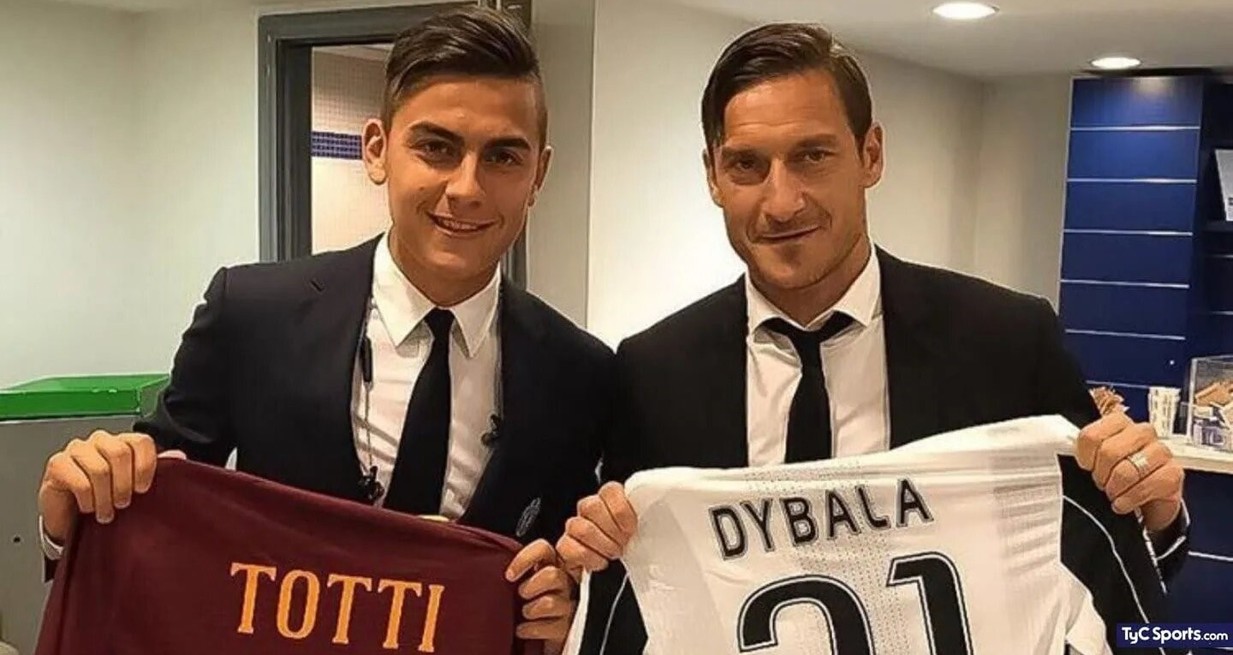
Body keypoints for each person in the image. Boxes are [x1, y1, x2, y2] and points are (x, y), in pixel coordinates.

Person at [558, 22, 1189, 653]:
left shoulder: (1007, 342)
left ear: (871, 155)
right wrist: (593, 556)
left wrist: (1154, 512)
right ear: (713, 177)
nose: (782, 202)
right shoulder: (652, 372)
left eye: (812, 156)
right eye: (747, 164)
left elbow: (1100, 577)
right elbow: (639, 597)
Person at [36, 7, 607, 652]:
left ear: (539, 175)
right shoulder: (251, 315)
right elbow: (153, 506)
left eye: (502, 156)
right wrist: (73, 514)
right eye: (436, 147)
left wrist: (566, 607)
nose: (466, 187)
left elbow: (570, 565)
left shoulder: (579, 373)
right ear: (377, 150)